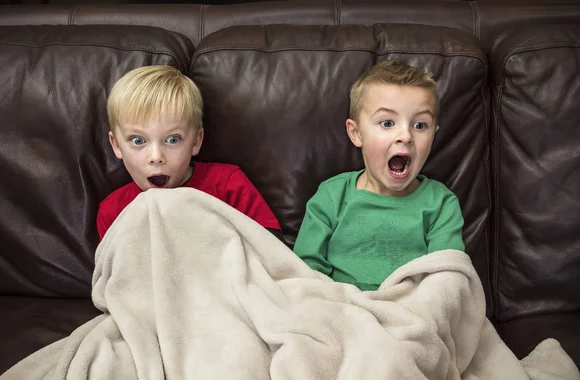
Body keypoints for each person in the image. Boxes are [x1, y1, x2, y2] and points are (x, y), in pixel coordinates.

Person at [292, 60, 465, 291]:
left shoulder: (441, 204)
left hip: (410, 311)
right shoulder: (331, 196)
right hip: (341, 307)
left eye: (420, 125)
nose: (406, 135)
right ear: (356, 133)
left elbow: (447, 279)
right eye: (387, 123)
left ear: (434, 133)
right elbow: (305, 273)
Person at [97, 65, 281, 240]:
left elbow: (270, 249)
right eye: (138, 141)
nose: (156, 157)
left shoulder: (227, 185)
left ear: (195, 141)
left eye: (172, 140)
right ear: (117, 146)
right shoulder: (113, 211)